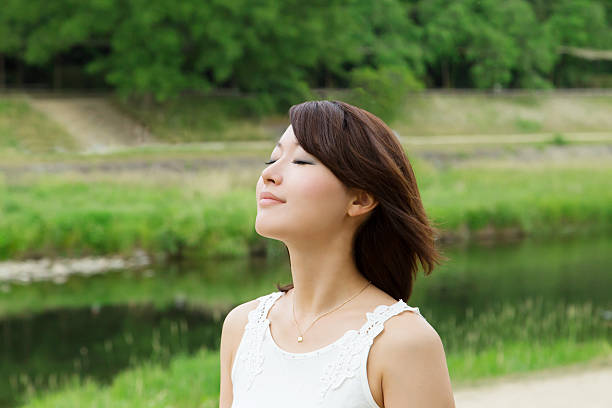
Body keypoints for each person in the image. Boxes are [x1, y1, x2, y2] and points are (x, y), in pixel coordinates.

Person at [219, 100, 455, 408]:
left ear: (360, 200)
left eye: (301, 161)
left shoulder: (402, 342)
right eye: (272, 158)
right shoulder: (243, 326)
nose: (269, 175)